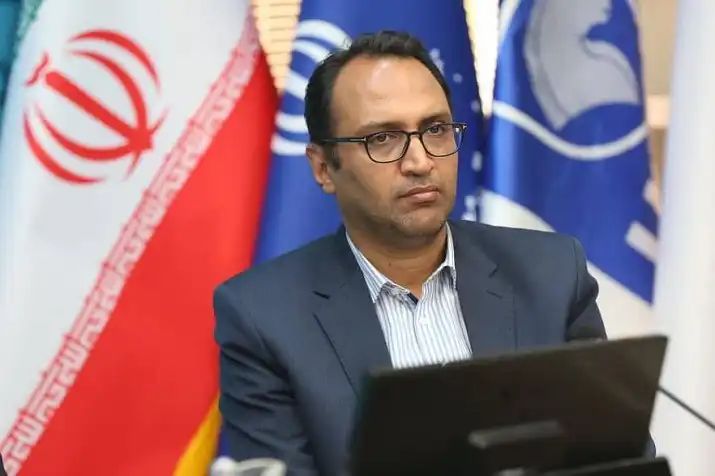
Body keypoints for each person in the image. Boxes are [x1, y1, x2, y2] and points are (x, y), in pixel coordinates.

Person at [214, 31, 606, 476]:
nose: (420, 162)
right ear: (323, 168)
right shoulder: (263, 318)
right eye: (383, 138)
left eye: (436, 130)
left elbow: (611, 458)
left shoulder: (552, 276)